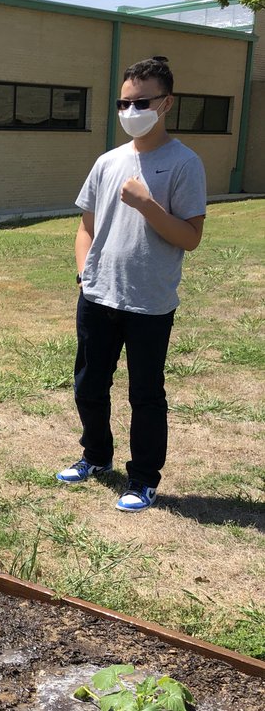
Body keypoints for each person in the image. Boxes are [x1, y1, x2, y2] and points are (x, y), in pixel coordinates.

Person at [56, 55, 206, 512]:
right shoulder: (107, 162)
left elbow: (191, 237)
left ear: (166, 104)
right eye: (123, 103)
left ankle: (143, 479)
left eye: (141, 102)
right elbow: (86, 226)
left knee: (145, 393)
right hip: (99, 295)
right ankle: (96, 457)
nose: (130, 111)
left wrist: (147, 205)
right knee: (88, 385)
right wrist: (86, 273)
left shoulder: (184, 164)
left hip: (149, 301)